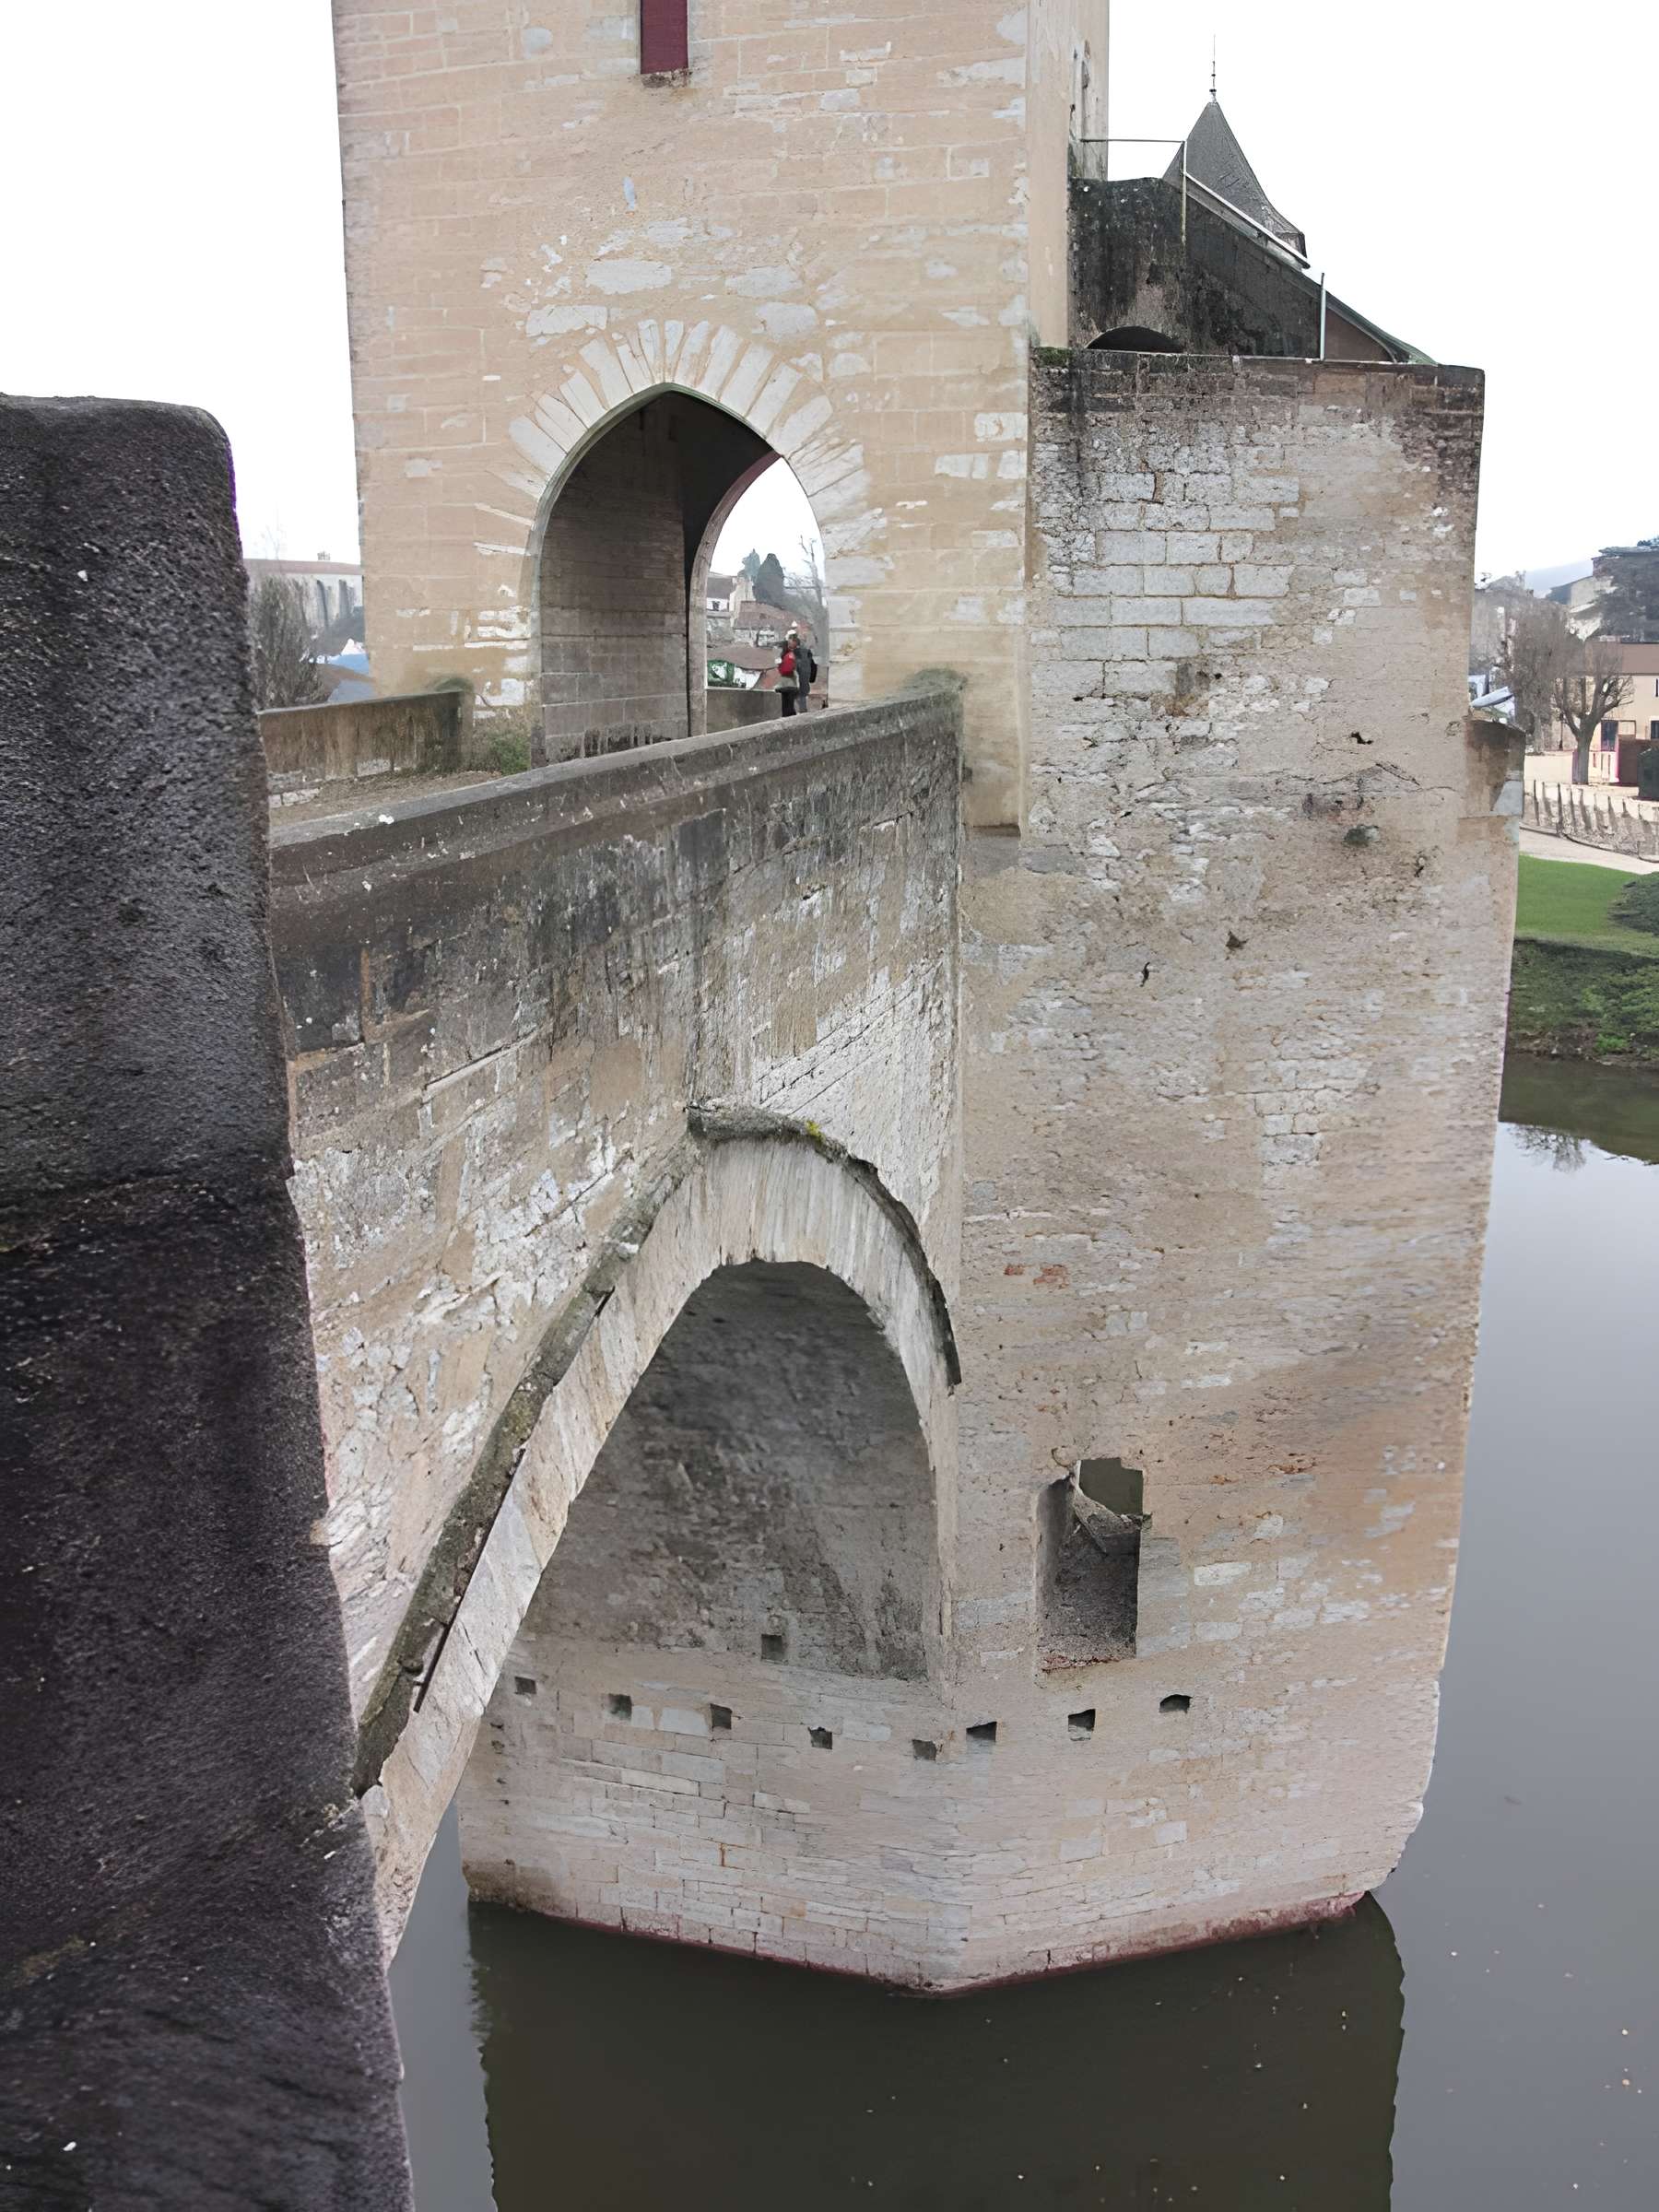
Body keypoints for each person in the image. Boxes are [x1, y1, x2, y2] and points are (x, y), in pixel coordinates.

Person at [776, 638, 800, 716]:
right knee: (788, 705)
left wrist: (781, 666)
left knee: (787, 706)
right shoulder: (789, 655)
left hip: (788, 683)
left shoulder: (788, 656)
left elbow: (787, 669)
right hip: (788, 683)